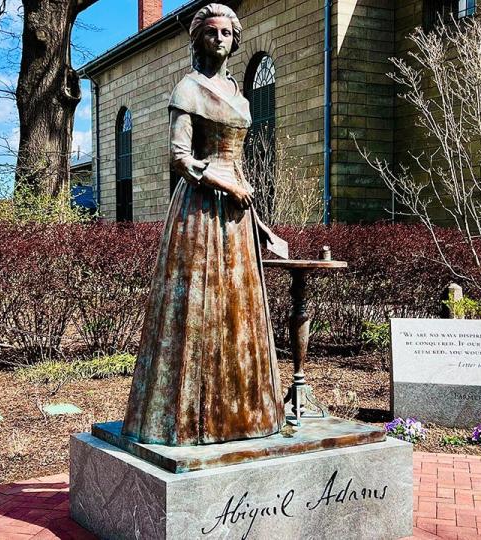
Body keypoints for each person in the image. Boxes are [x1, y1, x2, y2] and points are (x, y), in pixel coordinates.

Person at [121, 3, 285, 446]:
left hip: (236, 215)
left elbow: (241, 167)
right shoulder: (187, 89)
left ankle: (243, 415)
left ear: (234, 39)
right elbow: (179, 158)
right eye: (210, 32)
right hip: (199, 212)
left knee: (239, 314)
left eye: (226, 33)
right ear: (198, 39)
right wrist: (223, 183)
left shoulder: (239, 93)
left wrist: (260, 224)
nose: (219, 40)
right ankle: (191, 420)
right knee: (199, 310)